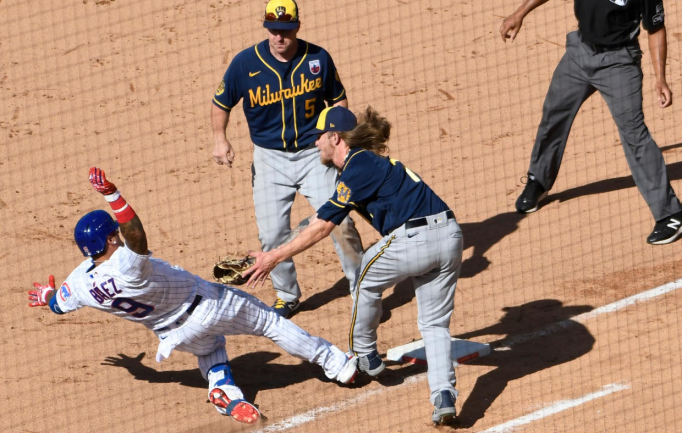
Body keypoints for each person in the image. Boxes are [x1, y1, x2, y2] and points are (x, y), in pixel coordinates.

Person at [27, 167, 358, 425]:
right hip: (209, 305)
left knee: (212, 349)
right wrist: (112, 194)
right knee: (270, 323)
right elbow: (137, 235)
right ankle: (338, 365)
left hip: (175, 336)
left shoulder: (80, 283)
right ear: (110, 238)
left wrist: (47, 295)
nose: (119, 235)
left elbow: (59, 303)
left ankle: (225, 393)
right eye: (115, 233)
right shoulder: (126, 264)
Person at [243, 106, 464, 425]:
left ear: (336, 137)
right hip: (449, 236)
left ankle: (365, 354)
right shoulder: (364, 167)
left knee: (364, 278)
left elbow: (322, 226)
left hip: (415, 239)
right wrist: (278, 247)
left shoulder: (358, 165)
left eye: (319, 137)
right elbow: (322, 216)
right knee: (434, 325)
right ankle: (444, 396)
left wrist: (273, 258)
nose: (315, 144)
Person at [210, 0, 363, 317]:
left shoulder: (317, 58)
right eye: (273, 30)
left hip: (313, 155)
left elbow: (338, 100)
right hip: (269, 160)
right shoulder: (244, 64)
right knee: (272, 235)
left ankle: (361, 289)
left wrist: (339, 140)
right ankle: (286, 295)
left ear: (297, 26)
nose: (279, 36)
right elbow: (221, 102)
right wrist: (219, 138)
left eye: (285, 30)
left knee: (340, 221)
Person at [500, 0, 682, 244]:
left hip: (619, 63)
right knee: (554, 114)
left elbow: (656, 28)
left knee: (635, 136)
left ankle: (670, 214)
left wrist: (660, 78)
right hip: (579, 53)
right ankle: (539, 181)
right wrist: (519, 13)